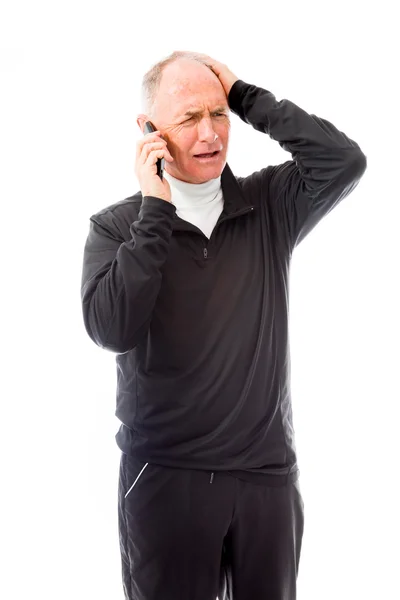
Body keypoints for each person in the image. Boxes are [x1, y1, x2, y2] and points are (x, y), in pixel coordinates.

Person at [80, 51, 367, 600]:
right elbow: (111, 328)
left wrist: (244, 95)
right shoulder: (117, 227)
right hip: (167, 479)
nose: (210, 133)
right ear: (150, 132)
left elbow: (344, 161)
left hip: (267, 480)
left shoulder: (268, 203)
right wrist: (155, 212)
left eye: (219, 115)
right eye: (189, 119)